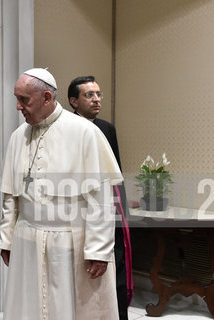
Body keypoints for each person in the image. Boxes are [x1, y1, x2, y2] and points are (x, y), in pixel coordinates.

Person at [0, 68, 123, 320]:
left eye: (24, 100)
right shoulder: (16, 137)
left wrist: (99, 250)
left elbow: (100, 199)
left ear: (46, 97)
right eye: (17, 98)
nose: (18, 107)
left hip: (70, 241)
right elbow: (11, 196)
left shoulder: (84, 132)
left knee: (69, 309)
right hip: (27, 240)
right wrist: (6, 239)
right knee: (28, 308)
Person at [68, 75, 133, 320]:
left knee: (116, 265)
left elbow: (116, 173)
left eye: (98, 94)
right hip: (79, 210)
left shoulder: (107, 128)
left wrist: (122, 212)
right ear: (74, 101)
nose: (96, 100)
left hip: (110, 208)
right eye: (89, 95)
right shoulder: (67, 130)